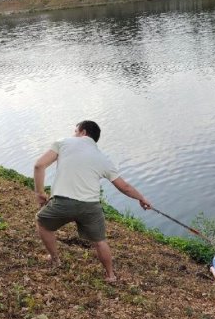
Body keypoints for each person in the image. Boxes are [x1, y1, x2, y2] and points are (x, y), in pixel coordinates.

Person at [33, 120, 151, 283]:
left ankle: (55, 259)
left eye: (75, 131)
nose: (73, 134)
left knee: (42, 223)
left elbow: (39, 166)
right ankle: (110, 275)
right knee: (99, 242)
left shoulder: (63, 143)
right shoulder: (103, 158)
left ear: (82, 132)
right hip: (91, 207)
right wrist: (141, 198)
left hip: (63, 202)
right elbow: (124, 186)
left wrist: (39, 193)